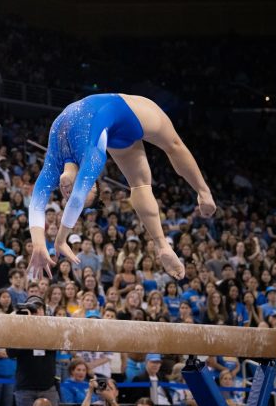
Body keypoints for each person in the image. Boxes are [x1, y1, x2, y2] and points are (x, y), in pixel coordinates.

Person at [27, 94, 216, 280]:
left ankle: (199, 196)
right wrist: (50, 242)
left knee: (162, 158)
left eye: (74, 198)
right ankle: (164, 242)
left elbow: (46, 200)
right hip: (122, 121)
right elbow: (61, 200)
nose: (70, 195)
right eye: (86, 195)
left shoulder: (55, 164)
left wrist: (43, 243)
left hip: (121, 116)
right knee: (148, 175)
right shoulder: (94, 158)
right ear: (92, 182)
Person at [7, 296, 60, 406]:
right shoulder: (19, 330)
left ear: (45, 311)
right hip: (25, 388)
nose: (36, 311)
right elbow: (11, 353)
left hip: (47, 387)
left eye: (39, 308)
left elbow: (58, 345)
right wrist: (23, 326)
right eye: (33, 309)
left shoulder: (52, 328)